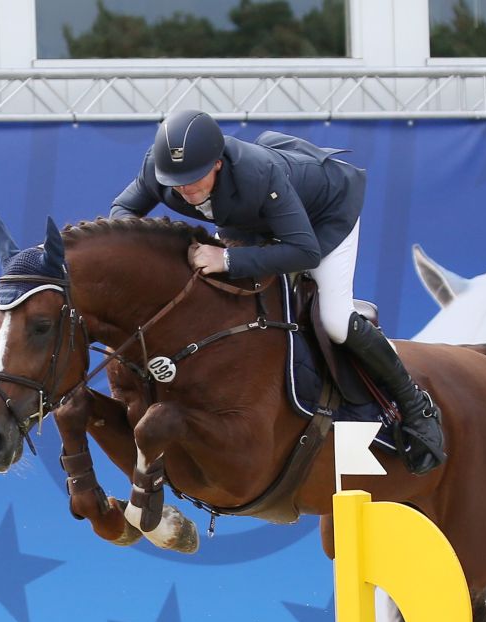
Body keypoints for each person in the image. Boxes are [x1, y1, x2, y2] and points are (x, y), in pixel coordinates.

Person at [110, 109, 446, 476]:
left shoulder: (258, 174)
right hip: (252, 220)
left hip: (321, 219)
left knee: (333, 320)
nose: (185, 190)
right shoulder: (161, 171)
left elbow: (304, 252)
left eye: (194, 179)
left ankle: (415, 405)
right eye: (176, 182)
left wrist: (228, 260)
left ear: (218, 164)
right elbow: (121, 217)